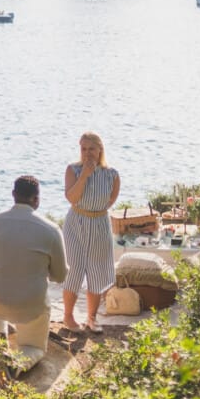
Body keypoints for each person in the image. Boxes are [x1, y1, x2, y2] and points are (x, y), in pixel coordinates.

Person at [0, 175, 68, 371]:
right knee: (34, 347)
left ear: (13, 195)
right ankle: (18, 363)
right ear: (36, 199)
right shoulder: (51, 230)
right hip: (30, 306)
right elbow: (60, 276)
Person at [61, 131, 120, 333]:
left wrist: (95, 211)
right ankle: (68, 317)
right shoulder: (73, 170)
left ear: (100, 150)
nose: (87, 153)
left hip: (100, 224)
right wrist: (85, 175)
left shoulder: (112, 174)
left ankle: (91, 318)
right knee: (75, 269)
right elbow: (72, 197)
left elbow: (110, 201)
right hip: (76, 223)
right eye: (83, 149)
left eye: (91, 149)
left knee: (96, 271)